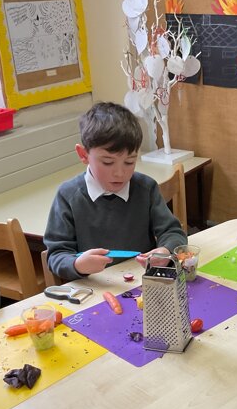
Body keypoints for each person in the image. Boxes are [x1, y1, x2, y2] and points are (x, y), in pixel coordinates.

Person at [44, 102, 187, 281]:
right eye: (108, 162)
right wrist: (77, 265)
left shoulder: (146, 188)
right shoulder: (68, 196)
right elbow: (56, 255)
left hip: (141, 281)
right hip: (94, 286)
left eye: (129, 162)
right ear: (83, 155)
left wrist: (165, 251)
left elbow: (173, 232)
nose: (120, 173)